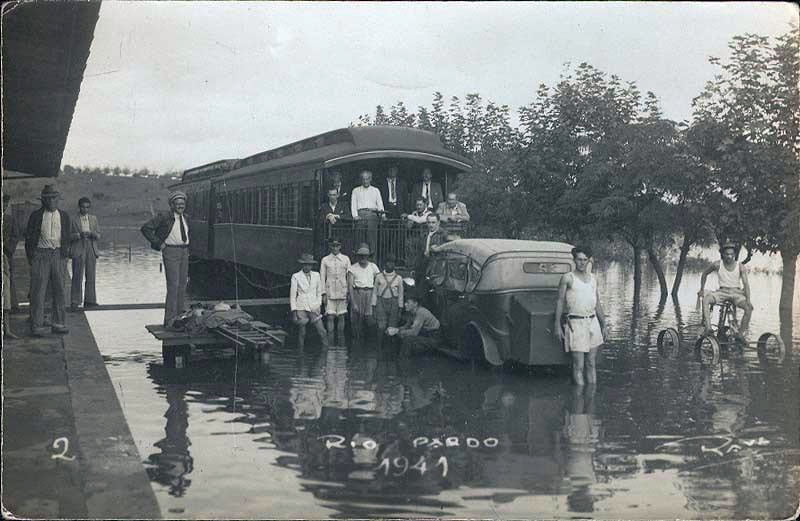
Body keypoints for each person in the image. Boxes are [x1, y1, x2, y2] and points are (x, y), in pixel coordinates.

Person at [24, 185, 78, 336]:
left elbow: (68, 236)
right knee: (38, 291)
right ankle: (37, 325)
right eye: (48, 199)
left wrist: (65, 254)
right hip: (41, 255)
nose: (51, 201)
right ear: (43, 200)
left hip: (59, 255)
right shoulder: (35, 216)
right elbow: (28, 239)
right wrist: (32, 257)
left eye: (54, 198)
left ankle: (58, 323)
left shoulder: (65, 216)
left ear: (58, 200)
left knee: (60, 290)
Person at [554, 246, 609, 386]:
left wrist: (604, 324)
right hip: (576, 324)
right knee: (578, 365)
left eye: (585, 260)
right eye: (579, 259)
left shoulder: (594, 279)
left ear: (588, 261)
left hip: (592, 322)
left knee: (591, 363)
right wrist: (557, 326)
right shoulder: (567, 278)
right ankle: (578, 400)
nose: (582, 263)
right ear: (574, 260)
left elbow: (597, 303)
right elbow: (560, 301)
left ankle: (591, 398)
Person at [141, 191, 191, 329]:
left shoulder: (185, 217)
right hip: (171, 251)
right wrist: (159, 243)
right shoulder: (164, 217)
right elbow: (146, 228)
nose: (180, 206)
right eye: (178, 203)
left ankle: (180, 317)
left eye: (183, 203)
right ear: (172, 205)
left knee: (182, 285)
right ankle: (169, 320)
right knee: (173, 285)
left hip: (184, 251)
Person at [698, 241, 753, 339]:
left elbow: (746, 284)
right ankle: (708, 328)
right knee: (706, 300)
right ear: (723, 254)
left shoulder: (740, 266)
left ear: (735, 255)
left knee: (749, 308)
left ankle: (740, 335)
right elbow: (704, 273)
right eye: (727, 254)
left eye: (732, 254)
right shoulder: (717, 264)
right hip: (722, 292)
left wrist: (748, 300)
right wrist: (702, 289)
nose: (729, 256)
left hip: (736, 293)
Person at [290, 253, 329, 348]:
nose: (307, 266)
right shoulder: (296, 276)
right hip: (301, 306)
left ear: (312, 265)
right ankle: (301, 354)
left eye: (309, 264)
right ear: (302, 265)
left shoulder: (316, 275)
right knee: (302, 332)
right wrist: (294, 313)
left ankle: (327, 351)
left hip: (313, 305)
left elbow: (319, 292)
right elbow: (293, 295)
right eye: (305, 264)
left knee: (322, 331)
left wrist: (318, 305)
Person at [70, 197, 101, 310]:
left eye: (87, 207)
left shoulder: (94, 219)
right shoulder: (73, 219)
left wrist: (93, 234)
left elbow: (99, 235)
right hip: (78, 248)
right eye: (83, 207)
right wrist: (79, 235)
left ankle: (90, 300)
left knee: (91, 275)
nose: (85, 209)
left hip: (91, 248)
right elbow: (68, 236)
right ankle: (75, 301)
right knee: (77, 276)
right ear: (79, 207)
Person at [320, 238, 350, 344]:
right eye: (333, 245)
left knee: (341, 316)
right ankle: (331, 342)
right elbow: (322, 277)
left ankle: (341, 341)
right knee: (330, 316)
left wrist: (348, 292)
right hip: (330, 291)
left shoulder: (346, 259)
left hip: (342, 290)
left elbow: (349, 276)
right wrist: (323, 293)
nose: (335, 248)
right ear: (330, 246)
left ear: (340, 246)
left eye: (337, 246)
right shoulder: (325, 260)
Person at [347, 243, 380, 341]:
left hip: (370, 293)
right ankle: (356, 341)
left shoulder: (373, 267)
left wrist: (376, 297)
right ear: (357, 256)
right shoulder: (352, 268)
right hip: (357, 292)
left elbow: (378, 282)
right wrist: (353, 302)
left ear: (368, 256)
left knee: (370, 319)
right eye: (361, 255)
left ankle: (369, 343)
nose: (363, 257)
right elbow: (350, 286)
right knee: (356, 319)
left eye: (365, 255)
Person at [371, 254, 403, 349]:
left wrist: (400, 309)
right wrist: (373, 306)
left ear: (394, 265)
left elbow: (401, 294)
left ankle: (390, 349)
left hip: (394, 303)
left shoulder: (399, 278)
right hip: (381, 302)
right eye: (388, 262)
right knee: (381, 326)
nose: (390, 265)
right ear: (384, 264)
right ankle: (379, 347)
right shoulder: (379, 277)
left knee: (392, 326)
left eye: (392, 263)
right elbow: (374, 292)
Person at [350, 170, 385, 255]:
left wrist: (383, 215)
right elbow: (353, 204)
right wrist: (355, 216)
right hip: (360, 214)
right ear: (361, 180)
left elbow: (380, 204)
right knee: (359, 237)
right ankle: (359, 254)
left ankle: (372, 255)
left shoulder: (376, 190)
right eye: (363, 179)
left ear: (370, 179)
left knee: (371, 237)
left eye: (367, 179)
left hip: (372, 214)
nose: (365, 181)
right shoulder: (356, 190)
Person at [3, 194, 22, 312]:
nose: (4, 206)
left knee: (9, 276)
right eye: (2, 203)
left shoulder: (10, 219)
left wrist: (9, 248)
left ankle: (12, 304)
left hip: (6, 252)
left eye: (5, 204)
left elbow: (16, 236)